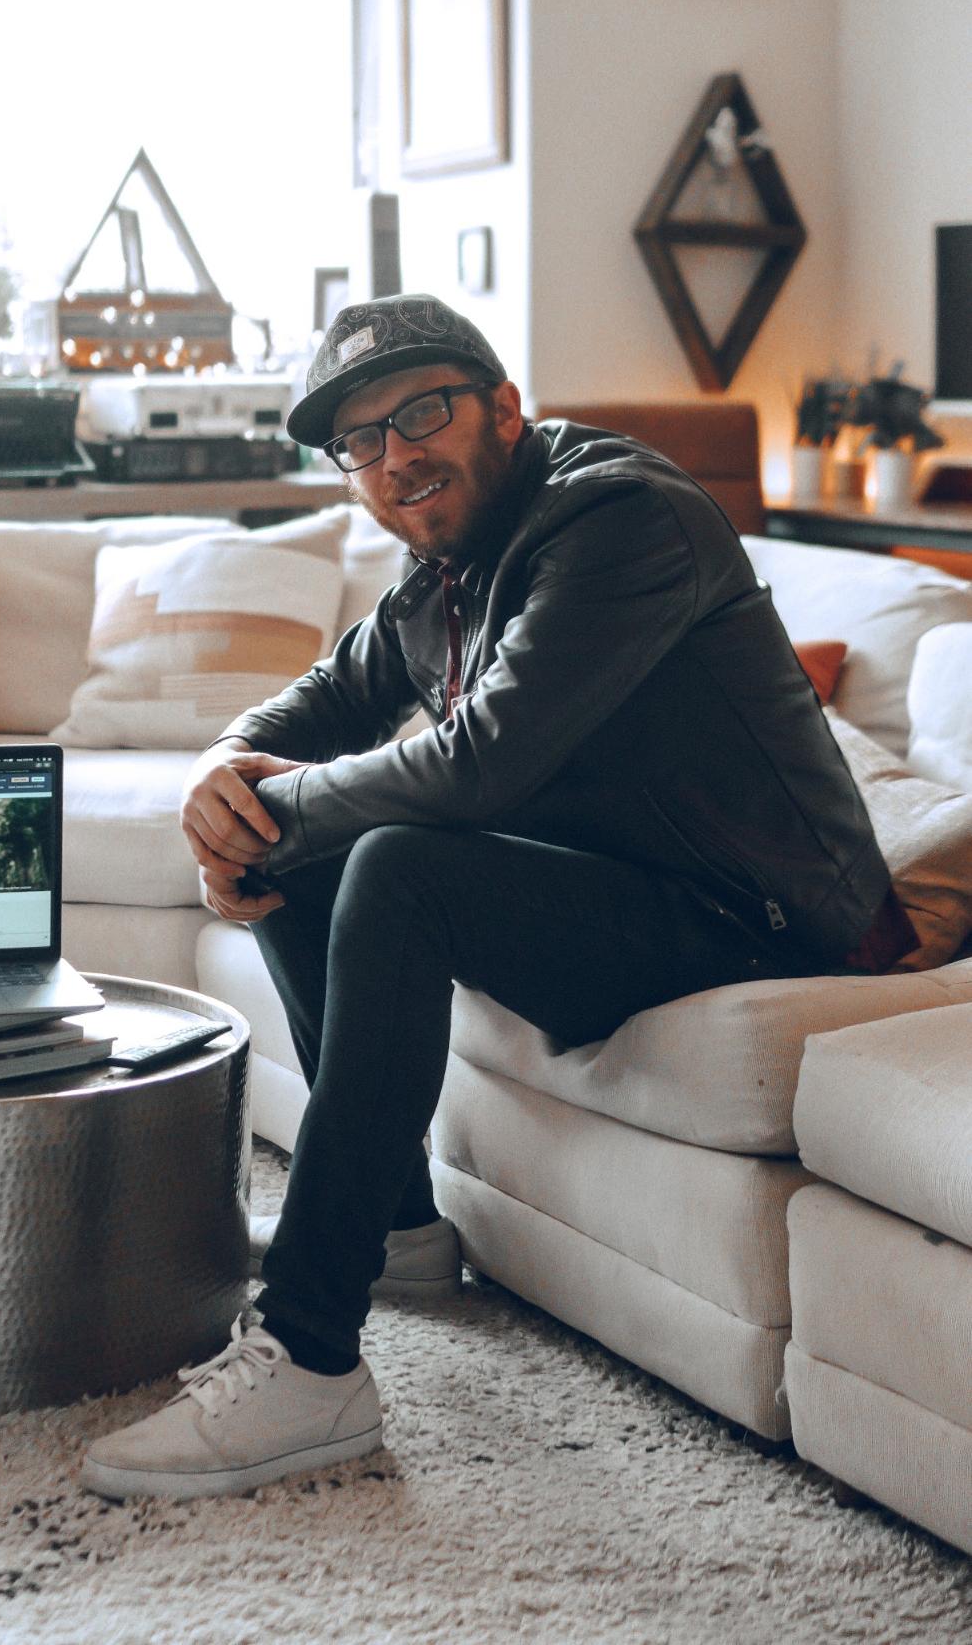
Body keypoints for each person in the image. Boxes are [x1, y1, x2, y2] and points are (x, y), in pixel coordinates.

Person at [80, 293, 908, 1504]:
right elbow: (318, 704)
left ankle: (310, 1356)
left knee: (391, 865)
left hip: (766, 915)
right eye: (360, 439)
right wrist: (223, 775)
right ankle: (400, 1230)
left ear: (505, 409)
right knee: (306, 846)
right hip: (634, 886)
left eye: (422, 412)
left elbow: (482, 764)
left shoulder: (620, 519)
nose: (394, 456)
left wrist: (270, 810)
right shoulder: (442, 572)